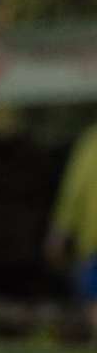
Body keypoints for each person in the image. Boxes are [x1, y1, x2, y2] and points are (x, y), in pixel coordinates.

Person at [45, 113, 97, 338]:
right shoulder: (91, 143)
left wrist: (59, 232)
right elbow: (73, 193)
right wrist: (59, 231)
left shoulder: (91, 142)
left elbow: (72, 192)